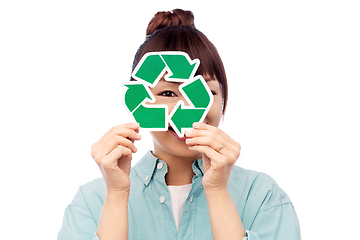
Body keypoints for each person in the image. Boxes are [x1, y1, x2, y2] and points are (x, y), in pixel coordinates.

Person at [58, 9, 301, 240]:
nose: (189, 110)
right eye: (168, 94)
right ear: (138, 101)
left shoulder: (262, 196)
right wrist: (117, 196)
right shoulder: (91, 202)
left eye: (204, 91)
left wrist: (217, 192)